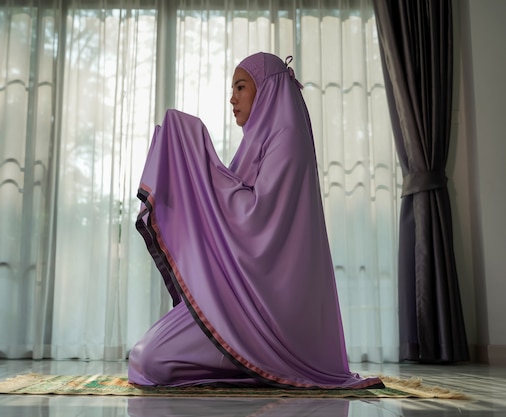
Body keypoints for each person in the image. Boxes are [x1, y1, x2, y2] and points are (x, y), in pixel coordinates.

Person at [129, 52, 384, 389]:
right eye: (232, 89)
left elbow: (256, 218)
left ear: (266, 90)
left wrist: (197, 156)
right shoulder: (259, 139)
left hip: (269, 310)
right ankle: (251, 364)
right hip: (241, 296)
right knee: (142, 358)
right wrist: (200, 171)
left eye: (241, 87)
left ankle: (259, 361)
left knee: (152, 361)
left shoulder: (287, 136)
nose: (232, 98)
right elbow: (233, 213)